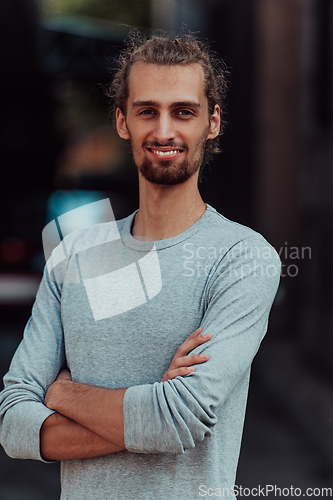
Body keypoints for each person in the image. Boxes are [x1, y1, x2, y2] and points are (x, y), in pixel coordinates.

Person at [0, 32, 281, 499]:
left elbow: (179, 422)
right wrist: (151, 413)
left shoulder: (242, 258)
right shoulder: (75, 256)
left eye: (183, 112)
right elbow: (12, 423)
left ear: (212, 122)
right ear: (122, 120)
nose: (164, 131)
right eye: (147, 110)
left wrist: (64, 396)